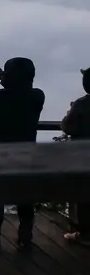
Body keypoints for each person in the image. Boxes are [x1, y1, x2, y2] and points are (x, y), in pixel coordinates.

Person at [0, 57, 44, 249]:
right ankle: (25, 238)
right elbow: (19, 90)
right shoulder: (38, 96)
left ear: (11, 76)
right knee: (25, 196)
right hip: (26, 152)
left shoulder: (1, 97)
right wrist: (5, 77)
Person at [63, 68, 90, 244]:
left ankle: (85, 235)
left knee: (84, 196)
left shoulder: (81, 104)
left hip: (84, 155)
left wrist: (68, 114)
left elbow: (68, 127)